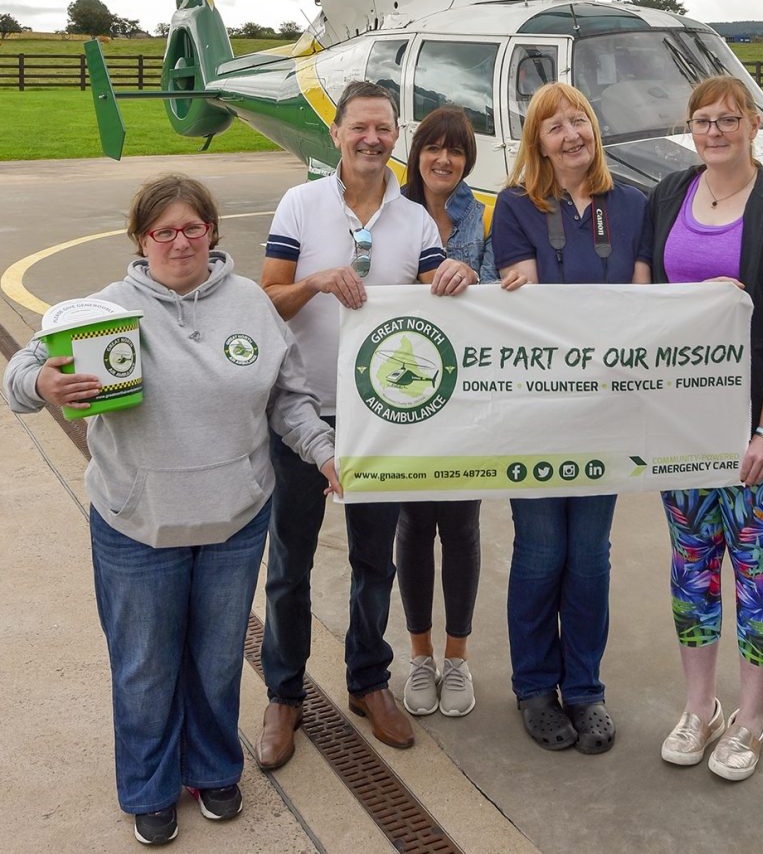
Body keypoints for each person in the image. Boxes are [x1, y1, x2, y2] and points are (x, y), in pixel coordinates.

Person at [3, 174, 339, 847]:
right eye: (165, 230)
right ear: (142, 239)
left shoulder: (251, 304)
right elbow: (21, 377)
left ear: (211, 231)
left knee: (216, 661)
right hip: (137, 522)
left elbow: (289, 398)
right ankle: (149, 787)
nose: (180, 241)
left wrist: (323, 451)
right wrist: (41, 379)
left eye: (193, 227)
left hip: (233, 523)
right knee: (146, 666)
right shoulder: (103, 309)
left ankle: (213, 768)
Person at [257, 81, 472, 765]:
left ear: (392, 134)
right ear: (339, 133)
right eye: (360, 128)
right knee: (290, 565)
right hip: (301, 415)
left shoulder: (414, 221)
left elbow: (440, 295)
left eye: (383, 129)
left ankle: (367, 681)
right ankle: (285, 694)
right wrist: (316, 281)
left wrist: (457, 276)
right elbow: (267, 300)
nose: (372, 140)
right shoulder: (301, 203)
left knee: (372, 561)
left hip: (381, 420)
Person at [648, 75, 763, 781]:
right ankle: (700, 707)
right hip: (683, 427)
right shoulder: (670, 195)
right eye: (702, 120)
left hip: (757, 428)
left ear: (753, 124)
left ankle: (750, 720)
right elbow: (643, 303)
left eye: (728, 119)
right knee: (692, 569)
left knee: (755, 573)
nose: (714, 130)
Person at [491, 82, 652, 754]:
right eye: (553, 126)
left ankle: (584, 688)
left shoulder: (635, 205)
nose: (570, 134)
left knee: (589, 558)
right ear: (538, 142)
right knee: (541, 552)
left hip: (606, 413)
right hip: (537, 415)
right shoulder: (514, 208)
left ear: (595, 130)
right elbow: (531, 313)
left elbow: (643, 306)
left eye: (578, 120)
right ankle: (534, 685)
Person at [397, 105, 497, 718]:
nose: (443, 160)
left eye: (455, 151)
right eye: (433, 148)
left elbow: (490, 284)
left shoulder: (476, 215)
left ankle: (456, 659)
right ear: (417, 154)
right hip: (403, 394)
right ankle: (419, 654)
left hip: (461, 397)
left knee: (460, 527)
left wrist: (473, 274)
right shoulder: (392, 209)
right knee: (413, 525)